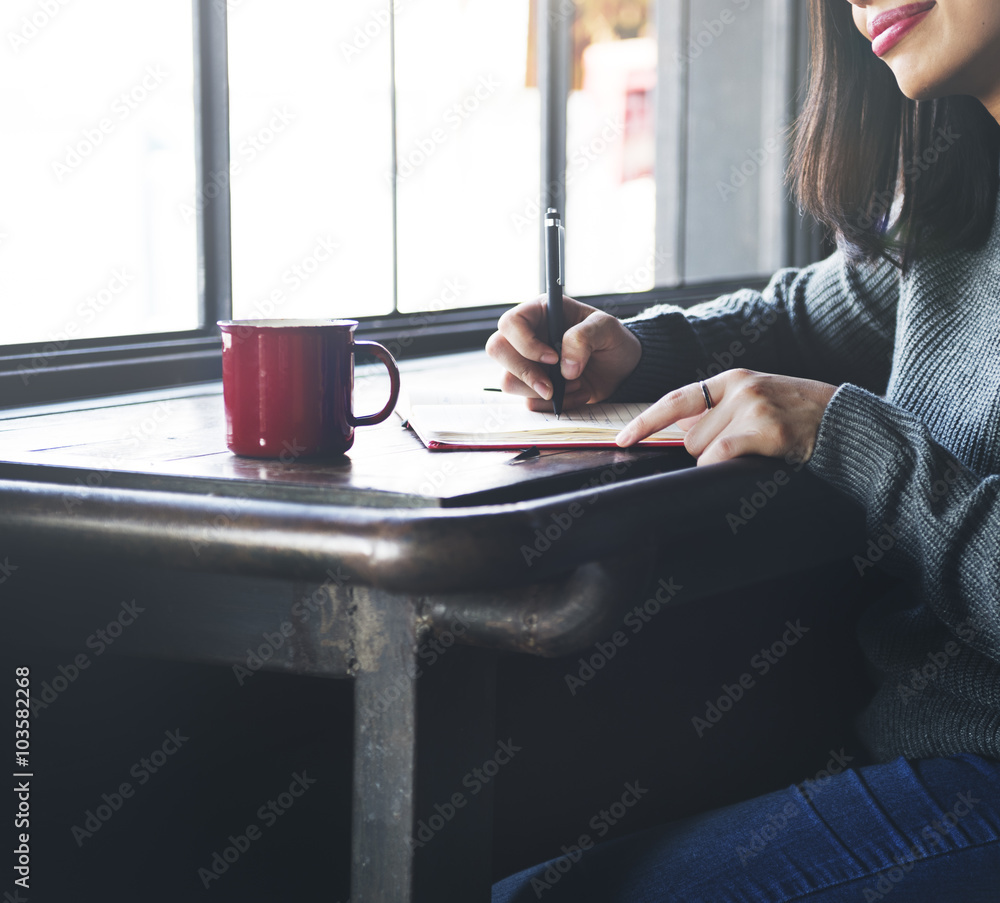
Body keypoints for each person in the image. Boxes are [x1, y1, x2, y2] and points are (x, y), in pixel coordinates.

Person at [486, 0, 1000, 899]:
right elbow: (812, 313)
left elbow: (843, 415)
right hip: (908, 744)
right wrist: (643, 349)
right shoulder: (966, 180)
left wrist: (848, 437)